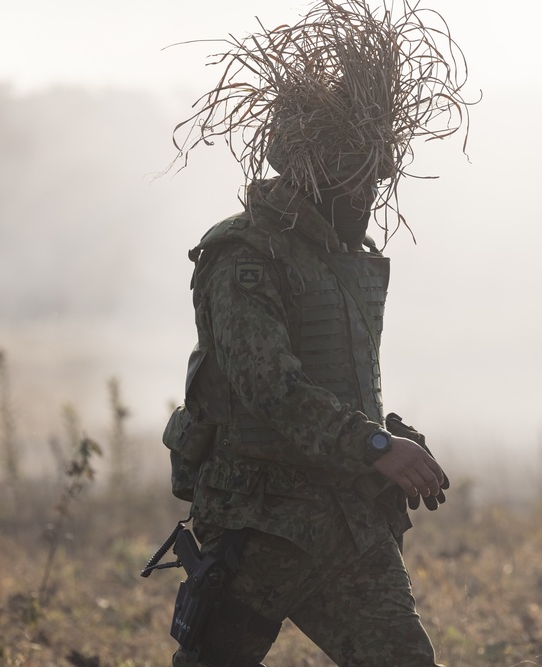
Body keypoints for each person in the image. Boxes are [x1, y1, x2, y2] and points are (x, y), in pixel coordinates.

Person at [156, 2, 471, 665]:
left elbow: (333, 384)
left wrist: (388, 436)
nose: (371, 187)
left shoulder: (339, 259)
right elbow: (268, 387)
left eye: (376, 172)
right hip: (262, 523)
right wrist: (374, 442)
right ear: (315, 167)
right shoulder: (244, 256)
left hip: (345, 523)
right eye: (358, 172)